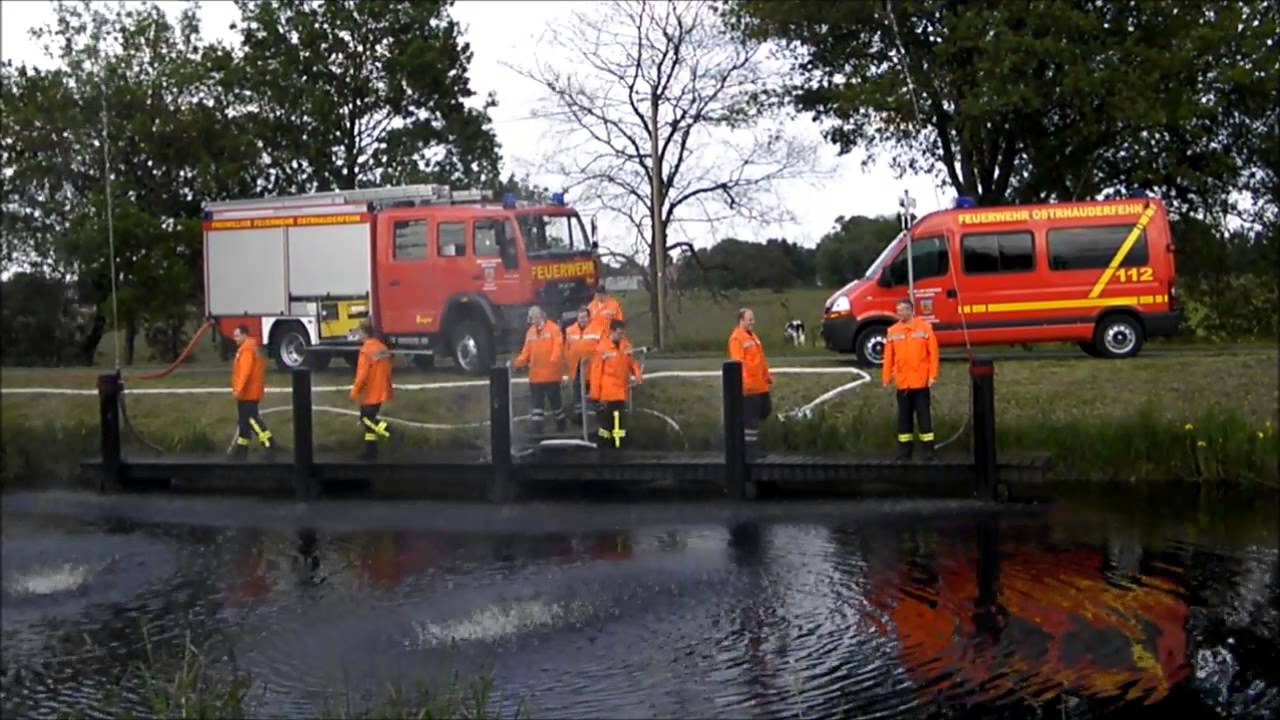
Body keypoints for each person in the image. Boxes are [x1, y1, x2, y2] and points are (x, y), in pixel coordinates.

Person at [882, 297, 939, 461]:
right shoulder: (892, 331)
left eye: (903, 309)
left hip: (920, 382)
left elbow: (933, 354)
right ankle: (904, 452)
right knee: (904, 419)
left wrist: (933, 375)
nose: (900, 312)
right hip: (903, 383)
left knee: (924, 418)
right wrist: (886, 377)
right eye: (898, 310)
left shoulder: (924, 328)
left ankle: (928, 451)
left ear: (911, 310)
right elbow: (888, 356)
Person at [512, 306, 567, 434]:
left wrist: (554, 359)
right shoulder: (530, 332)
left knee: (556, 404)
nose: (534, 320)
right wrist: (517, 363)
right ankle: (537, 431)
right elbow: (526, 351)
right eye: (532, 318)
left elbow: (558, 346)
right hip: (535, 376)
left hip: (551, 375)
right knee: (537, 406)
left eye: (535, 317)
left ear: (542, 316)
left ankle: (562, 427)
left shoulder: (554, 328)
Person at [590, 318, 642, 450]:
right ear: (612, 331)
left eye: (622, 333)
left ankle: (620, 446)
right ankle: (604, 447)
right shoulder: (602, 347)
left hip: (621, 390)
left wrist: (637, 376)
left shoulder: (626, 345)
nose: (621, 335)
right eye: (619, 333)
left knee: (620, 422)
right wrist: (595, 394)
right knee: (607, 424)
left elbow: (632, 362)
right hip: (607, 393)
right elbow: (596, 372)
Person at [728, 308, 773, 455]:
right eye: (750, 319)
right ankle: (750, 451)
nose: (753, 322)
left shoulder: (753, 336)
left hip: (760, 384)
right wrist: (744, 384)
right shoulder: (736, 338)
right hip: (749, 387)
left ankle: (749, 446)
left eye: (753, 319)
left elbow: (761, 359)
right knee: (750, 420)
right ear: (742, 320)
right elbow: (738, 363)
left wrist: (767, 376)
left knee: (765, 410)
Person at [350, 320, 394, 460]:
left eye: (359, 332)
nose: (358, 335)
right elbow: (389, 366)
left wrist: (355, 391)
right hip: (383, 388)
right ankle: (371, 451)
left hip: (371, 391)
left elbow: (362, 374)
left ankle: (389, 431)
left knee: (365, 419)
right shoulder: (381, 347)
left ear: (364, 332)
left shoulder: (365, 350)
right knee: (370, 422)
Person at [230, 324, 274, 461]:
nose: (234, 338)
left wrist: (238, 389)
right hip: (249, 391)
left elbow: (245, 372)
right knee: (243, 421)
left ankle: (268, 442)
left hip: (248, 392)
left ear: (244, 335)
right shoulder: (250, 347)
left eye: (237, 335)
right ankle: (242, 448)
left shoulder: (246, 350)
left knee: (250, 419)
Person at [563, 306, 600, 421]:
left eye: (584, 317)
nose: (582, 319)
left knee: (593, 393)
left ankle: (596, 416)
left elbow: (602, 347)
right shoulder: (569, 330)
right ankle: (579, 417)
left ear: (589, 318)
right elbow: (565, 348)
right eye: (580, 317)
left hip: (592, 368)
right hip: (576, 367)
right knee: (577, 392)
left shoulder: (598, 329)